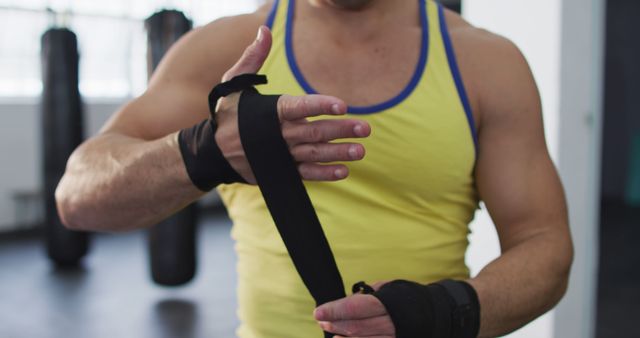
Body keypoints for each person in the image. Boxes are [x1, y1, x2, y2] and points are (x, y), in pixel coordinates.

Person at [56, 0, 574, 337]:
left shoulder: (485, 62)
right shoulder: (220, 51)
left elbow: (544, 245)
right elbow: (77, 196)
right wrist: (205, 149)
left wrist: (442, 312)